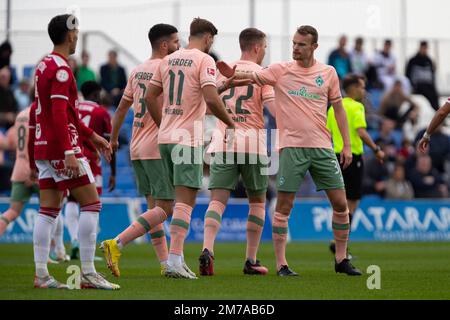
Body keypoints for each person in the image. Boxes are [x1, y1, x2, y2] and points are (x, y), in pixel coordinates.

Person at [218, 25, 362, 276]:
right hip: (291, 148)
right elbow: (249, 77)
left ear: (314, 47)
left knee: (340, 204)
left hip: (322, 148)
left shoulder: (328, 73)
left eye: (301, 44)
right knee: (284, 206)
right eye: (294, 43)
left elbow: (338, 109)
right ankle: (281, 264)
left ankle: (341, 260)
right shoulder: (280, 70)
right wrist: (227, 79)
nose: (295, 48)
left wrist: (347, 145)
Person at [31, 14, 118, 290]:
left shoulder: (44, 64)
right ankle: (89, 273)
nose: (78, 36)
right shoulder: (61, 69)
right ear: (69, 36)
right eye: (76, 32)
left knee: (48, 210)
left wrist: (94, 138)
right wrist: (70, 151)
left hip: (43, 146)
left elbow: (67, 113)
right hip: (61, 148)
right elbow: (59, 113)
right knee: (92, 204)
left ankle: (42, 274)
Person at [145, 17, 235, 279]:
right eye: (212, 40)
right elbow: (210, 98)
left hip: (166, 138)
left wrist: (164, 124)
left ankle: (176, 258)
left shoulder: (168, 59)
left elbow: (150, 96)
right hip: (187, 139)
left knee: (167, 205)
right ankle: (172, 260)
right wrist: (229, 123)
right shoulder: (203, 59)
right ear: (207, 38)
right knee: (185, 202)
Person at [100, 24, 181, 278]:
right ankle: (117, 243)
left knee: (152, 208)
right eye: (177, 42)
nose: (180, 47)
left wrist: (113, 140)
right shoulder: (166, 69)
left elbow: (121, 109)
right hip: (157, 146)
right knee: (166, 208)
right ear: (165, 45)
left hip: (136, 147)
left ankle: (165, 264)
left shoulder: (136, 71)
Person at [199, 27, 275, 276]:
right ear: (256, 47)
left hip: (223, 141)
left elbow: (207, 105)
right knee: (257, 202)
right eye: (264, 47)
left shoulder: (224, 70)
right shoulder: (263, 74)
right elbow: (273, 109)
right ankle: (251, 260)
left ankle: (208, 249)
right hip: (253, 143)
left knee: (218, 201)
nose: (264, 52)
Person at [326, 74, 385, 256]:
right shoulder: (356, 106)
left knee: (340, 203)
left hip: (335, 156)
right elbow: (361, 132)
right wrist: (376, 149)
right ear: (351, 88)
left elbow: (327, 132)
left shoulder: (333, 108)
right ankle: (339, 245)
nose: (363, 90)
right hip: (353, 158)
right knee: (351, 203)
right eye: (361, 87)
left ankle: (339, 243)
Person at [64, 80, 116, 260]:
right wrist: (114, 173)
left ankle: (74, 239)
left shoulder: (74, 107)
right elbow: (109, 144)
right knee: (92, 205)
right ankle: (88, 250)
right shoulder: (101, 112)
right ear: (96, 94)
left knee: (71, 200)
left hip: (73, 155)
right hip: (92, 161)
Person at [0, 103, 39, 238]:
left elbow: (10, 143)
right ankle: (55, 251)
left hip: (19, 169)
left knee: (12, 211)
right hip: (37, 170)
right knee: (50, 212)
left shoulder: (20, 115)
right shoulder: (40, 112)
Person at [406, 41, 439, 110]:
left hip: (428, 86)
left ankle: (437, 111)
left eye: (425, 48)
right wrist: (412, 85)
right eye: (423, 48)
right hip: (417, 86)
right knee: (428, 92)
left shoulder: (429, 60)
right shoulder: (413, 60)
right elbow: (407, 75)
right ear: (420, 48)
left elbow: (432, 77)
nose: (424, 50)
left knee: (434, 94)